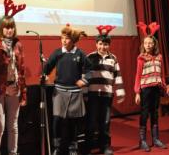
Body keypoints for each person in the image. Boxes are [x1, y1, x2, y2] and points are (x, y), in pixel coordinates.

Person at [0, 0, 27, 155]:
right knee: (0, 125)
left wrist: (23, 91)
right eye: (6, 28)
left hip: (13, 88)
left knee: (13, 125)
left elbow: (21, 70)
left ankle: (12, 152)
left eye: (12, 28)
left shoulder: (18, 45)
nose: (10, 30)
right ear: (0, 28)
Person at [43, 24, 87, 155]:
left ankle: (73, 148)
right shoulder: (58, 53)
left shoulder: (80, 54)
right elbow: (48, 66)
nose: (64, 41)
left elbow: (89, 70)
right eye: (62, 38)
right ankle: (57, 147)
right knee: (57, 120)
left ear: (73, 40)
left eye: (67, 38)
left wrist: (83, 80)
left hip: (74, 92)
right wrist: (44, 74)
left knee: (73, 122)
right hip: (59, 92)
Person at [83, 25, 125, 155]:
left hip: (107, 95)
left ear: (109, 45)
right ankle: (88, 146)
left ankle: (105, 146)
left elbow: (117, 75)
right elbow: (85, 76)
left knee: (105, 122)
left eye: (106, 44)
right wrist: (84, 93)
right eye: (100, 44)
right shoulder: (90, 57)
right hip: (93, 94)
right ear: (96, 44)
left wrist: (120, 91)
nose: (103, 47)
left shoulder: (113, 58)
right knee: (91, 121)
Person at [134, 22, 168, 152]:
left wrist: (164, 88)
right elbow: (137, 76)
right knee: (144, 113)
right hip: (145, 89)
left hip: (156, 88)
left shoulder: (159, 57)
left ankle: (156, 139)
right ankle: (142, 140)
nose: (148, 45)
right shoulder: (141, 58)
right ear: (143, 45)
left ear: (154, 44)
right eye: (146, 43)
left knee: (154, 113)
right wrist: (137, 92)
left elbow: (162, 74)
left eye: (150, 43)